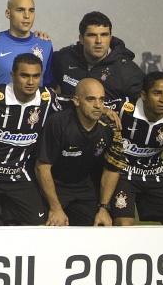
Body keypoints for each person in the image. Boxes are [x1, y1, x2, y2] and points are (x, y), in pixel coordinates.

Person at [0, 53, 61, 226]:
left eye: (36, 76)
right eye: (24, 75)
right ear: (12, 76)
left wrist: (104, 110)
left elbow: (72, 106)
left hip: (18, 173)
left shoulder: (48, 98)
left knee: (39, 226)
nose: (31, 82)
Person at [35, 78, 126, 227]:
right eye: (91, 99)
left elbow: (112, 169)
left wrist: (103, 208)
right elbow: (42, 168)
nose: (98, 105)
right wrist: (55, 208)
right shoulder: (58, 123)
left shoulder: (110, 127)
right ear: (76, 101)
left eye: (101, 100)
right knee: (44, 228)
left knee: (98, 228)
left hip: (85, 187)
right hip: (55, 185)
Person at [110, 73, 163, 226]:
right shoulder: (123, 109)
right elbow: (94, 106)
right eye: (157, 93)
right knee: (123, 225)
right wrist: (104, 111)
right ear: (143, 95)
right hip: (122, 174)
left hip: (155, 175)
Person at [51, 11, 145, 101]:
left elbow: (146, 105)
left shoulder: (126, 69)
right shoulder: (64, 58)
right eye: (92, 35)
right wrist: (38, 37)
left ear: (110, 38)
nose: (99, 41)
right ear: (81, 39)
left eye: (104, 35)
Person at [0, 0, 54, 87]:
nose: (27, 16)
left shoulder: (45, 43)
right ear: (8, 13)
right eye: (20, 10)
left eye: (31, 10)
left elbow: (49, 84)